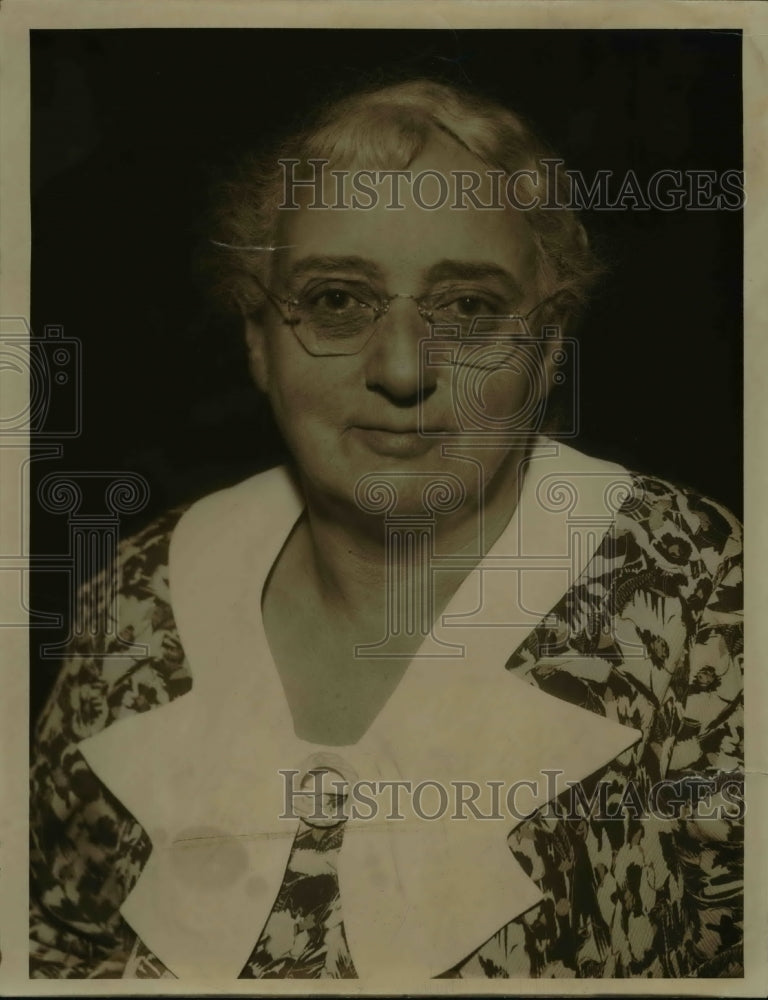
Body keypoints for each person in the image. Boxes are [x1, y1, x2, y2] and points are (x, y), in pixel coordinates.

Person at [30, 78, 743, 980]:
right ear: (258, 337)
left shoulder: (695, 594)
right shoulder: (142, 591)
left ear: (549, 344)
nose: (403, 369)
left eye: (473, 309)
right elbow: (45, 943)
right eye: (336, 300)